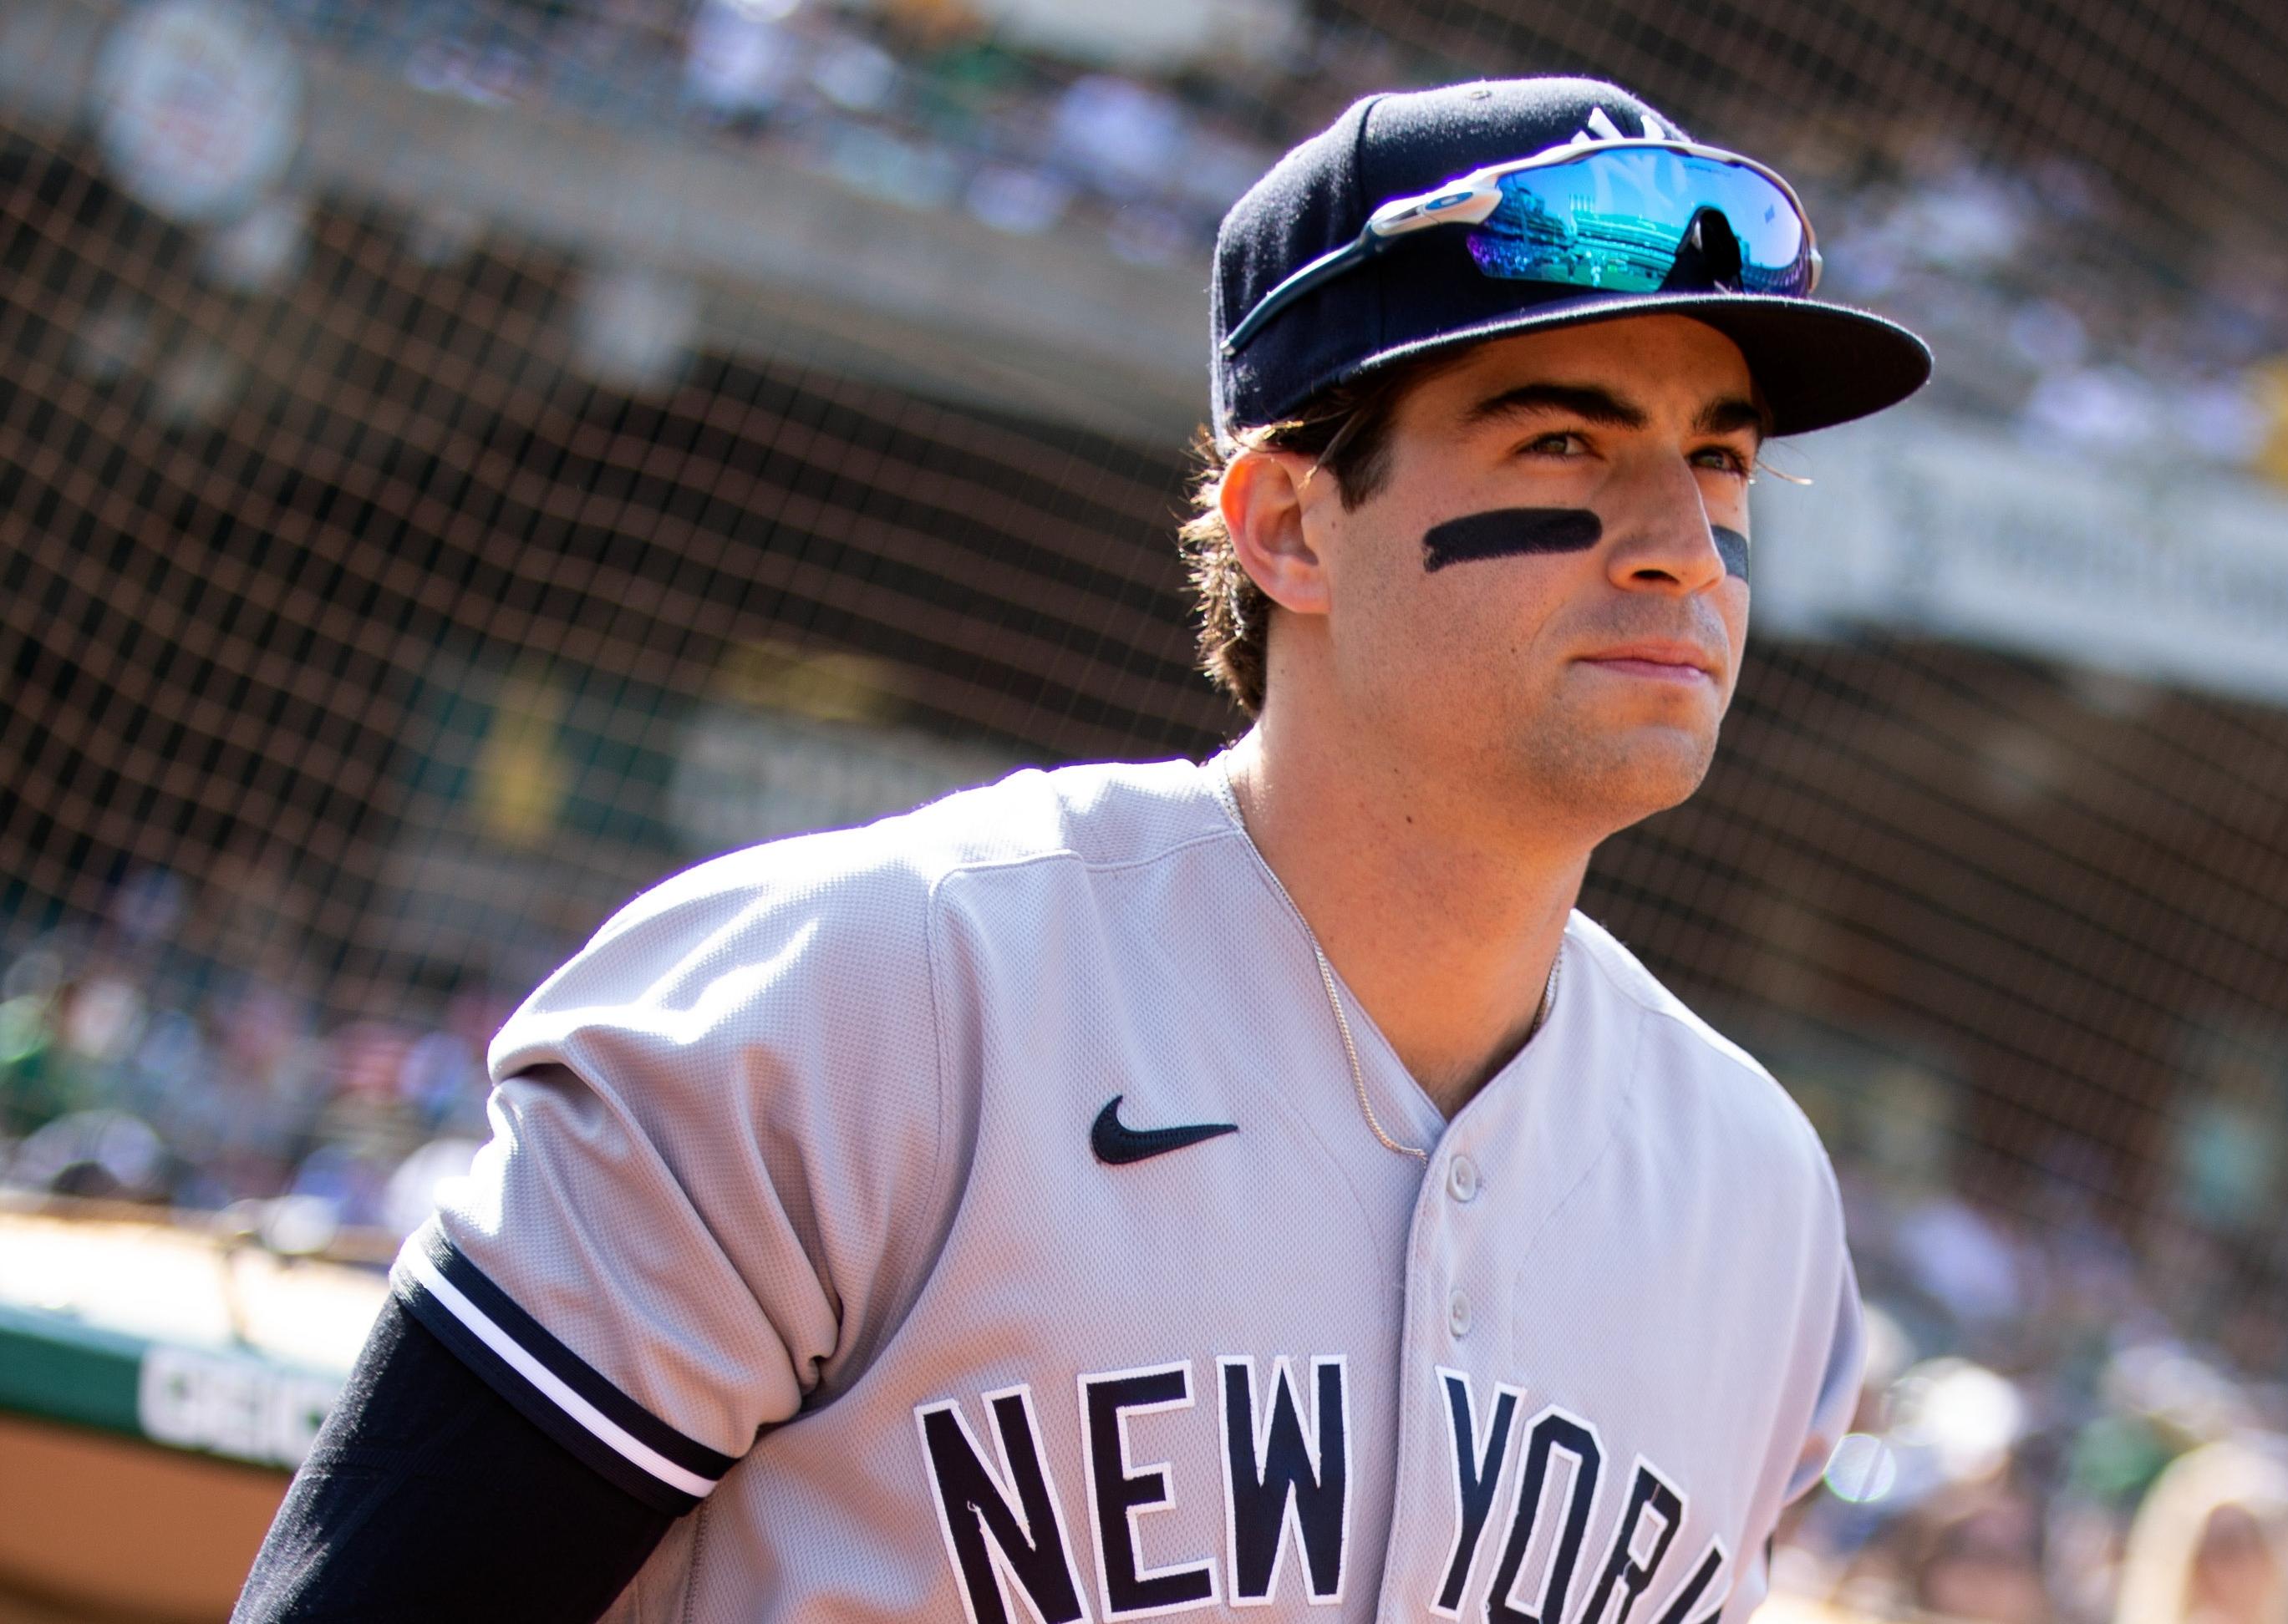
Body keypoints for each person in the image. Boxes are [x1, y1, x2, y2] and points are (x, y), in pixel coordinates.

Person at [236, 75, 1930, 1621]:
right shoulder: (865, 1003)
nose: (1680, 547)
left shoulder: (1760, 1213)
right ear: (1288, 524)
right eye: (1563, 440)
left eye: (1719, 459)